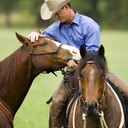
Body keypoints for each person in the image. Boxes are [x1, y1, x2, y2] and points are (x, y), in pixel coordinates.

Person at [28, 0, 128, 127]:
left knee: (127, 92)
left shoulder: (90, 26)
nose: (56, 17)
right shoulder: (55, 27)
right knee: (57, 103)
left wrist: (78, 63)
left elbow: (93, 57)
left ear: (65, 7)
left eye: (57, 13)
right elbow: (44, 39)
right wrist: (35, 35)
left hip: (94, 72)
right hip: (71, 73)